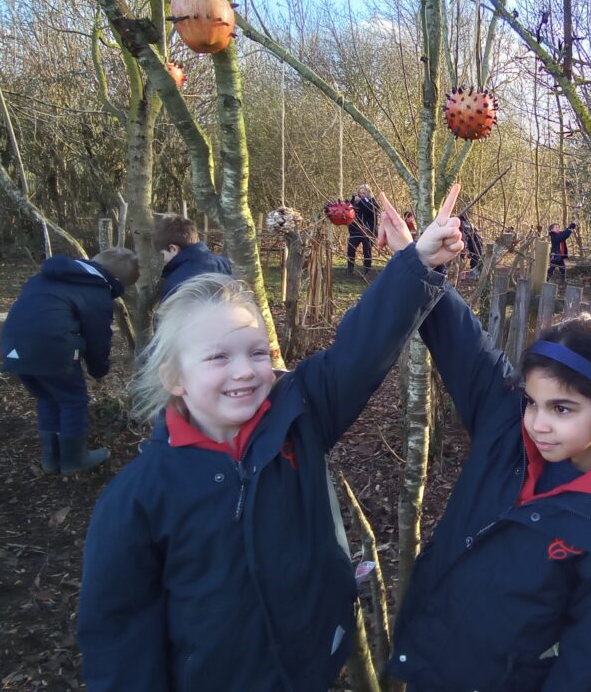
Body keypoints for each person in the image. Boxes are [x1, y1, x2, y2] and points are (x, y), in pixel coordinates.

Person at [76, 187, 464, 692]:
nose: (246, 372)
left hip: (311, 664)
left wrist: (416, 263)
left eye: (257, 352)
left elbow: (359, 352)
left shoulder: (297, 417)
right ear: (174, 377)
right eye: (218, 358)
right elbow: (119, 636)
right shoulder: (137, 501)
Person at [389, 289, 591, 691]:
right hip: (430, 664)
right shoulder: (506, 428)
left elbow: (589, 667)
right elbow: (459, 339)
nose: (538, 424)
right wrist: (420, 263)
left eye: (562, 409)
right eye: (533, 402)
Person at [0, 248, 140, 474]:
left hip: (13, 347)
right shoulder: (95, 290)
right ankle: (75, 458)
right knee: (73, 401)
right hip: (51, 348)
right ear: (115, 281)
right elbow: (98, 335)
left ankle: (51, 458)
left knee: (48, 399)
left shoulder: (48, 276)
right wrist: (99, 368)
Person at [154, 213, 232, 299]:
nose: (163, 259)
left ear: (173, 249)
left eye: (163, 254)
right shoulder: (226, 264)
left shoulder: (174, 284)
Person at [347, 183, 380, 274]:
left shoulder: (371, 201)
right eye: (360, 192)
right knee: (351, 249)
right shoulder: (354, 200)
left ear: (368, 193)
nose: (361, 194)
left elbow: (373, 209)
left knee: (367, 251)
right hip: (355, 230)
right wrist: (353, 200)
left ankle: (367, 270)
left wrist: (363, 200)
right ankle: (350, 268)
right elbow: (347, 208)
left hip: (368, 231)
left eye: (364, 193)